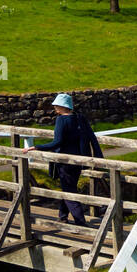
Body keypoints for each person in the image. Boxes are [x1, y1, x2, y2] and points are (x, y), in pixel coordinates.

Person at [24, 93, 102, 225]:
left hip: (64, 161)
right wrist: (98, 156)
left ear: (62, 106)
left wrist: (37, 147)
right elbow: (92, 138)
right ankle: (63, 216)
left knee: (69, 190)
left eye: (56, 105)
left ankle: (80, 221)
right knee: (69, 187)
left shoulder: (61, 120)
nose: (55, 108)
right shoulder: (80, 118)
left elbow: (57, 142)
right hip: (78, 161)